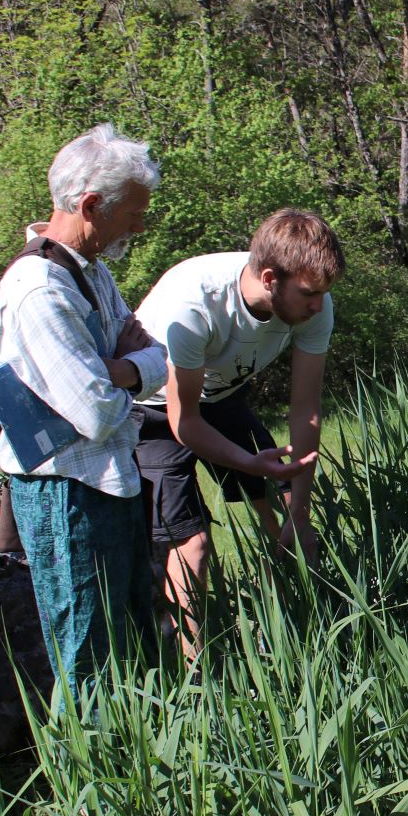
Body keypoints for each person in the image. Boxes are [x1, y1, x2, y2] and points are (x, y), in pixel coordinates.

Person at [0, 125, 249, 699]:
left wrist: (124, 365)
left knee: (129, 639)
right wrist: (130, 368)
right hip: (67, 492)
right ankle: (90, 780)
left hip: (109, 482)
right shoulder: (40, 290)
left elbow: (149, 346)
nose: (140, 225)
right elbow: (99, 412)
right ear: (89, 205)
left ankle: (137, 765)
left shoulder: (91, 274)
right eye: (133, 212)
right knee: (86, 658)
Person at [131, 209, 344, 649]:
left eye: (323, 294)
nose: (318, 306)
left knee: (286, 508)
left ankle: (299, 632)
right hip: (150, 411)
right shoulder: (194, 305)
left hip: (219, 396)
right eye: (309, 294)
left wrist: (300, 514)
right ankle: (197, 673)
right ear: (269, 278)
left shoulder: (312, 303)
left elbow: (305, 408)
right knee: (193, 545)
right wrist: (247, 460)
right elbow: (184, 422)